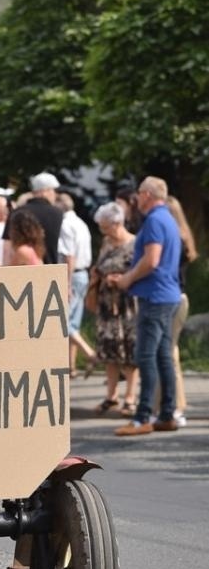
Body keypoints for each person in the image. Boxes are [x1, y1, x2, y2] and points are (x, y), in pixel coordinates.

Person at [108, 176, 182, 436]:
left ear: (148, 195)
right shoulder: (168, 218)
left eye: (139, 192)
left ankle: (142, 418)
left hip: (155, 295)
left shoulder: (154, 221)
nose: (136, 197)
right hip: (167, 294)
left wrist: (127, 278)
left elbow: (152, 260)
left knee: (146, 356)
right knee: (162, 356)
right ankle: (167, 414)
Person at [153, 196, 198, 426]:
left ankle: (171, 406)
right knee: (170, 353)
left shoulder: (171, 240)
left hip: (171, 299)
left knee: (167, 355)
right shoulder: (183, 238)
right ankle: (169, 404)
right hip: (181, 298)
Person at [90, 202, 138, 416]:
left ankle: (130, 397)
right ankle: (111, 396)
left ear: (117, 223)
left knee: (128, 350)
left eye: (105, 226)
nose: (103, 231)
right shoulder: (107, 243)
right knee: (109, 350)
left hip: (127, 303)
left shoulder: (135, 243)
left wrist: (121, 279)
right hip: (107, 304)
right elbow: (100, 266)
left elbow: (140, 271)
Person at [56, 192, 97, 376]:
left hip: (72, 275)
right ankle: (71, 365)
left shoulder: (65, 224)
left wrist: (66, 281)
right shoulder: (80, 223)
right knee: (74, 322)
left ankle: (90, 353)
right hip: (82, 274)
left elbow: (69, 255)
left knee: (63, 323)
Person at [4, 173, 63, 264]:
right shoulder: (58, 213)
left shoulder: (17, 212)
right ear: (44, 191)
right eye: (53, 190)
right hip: (52, 269)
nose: (56, 194)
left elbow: (7, 248)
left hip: (22, 269)